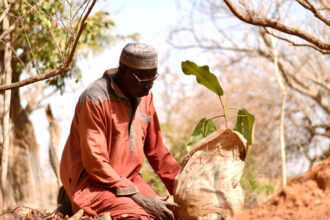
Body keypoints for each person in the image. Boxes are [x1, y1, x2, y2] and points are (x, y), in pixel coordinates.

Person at [59, 43, 181, 220]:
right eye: (143, 81)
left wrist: (181, 186)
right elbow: (96, 163)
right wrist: (138, 197)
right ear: (123, 71)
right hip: (92, 185)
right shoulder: (95, 98)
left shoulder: (146, 97)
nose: (149, 88)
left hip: (130, 181)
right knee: (142, 217)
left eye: (153, 80)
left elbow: (157, 151)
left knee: (173, 214)